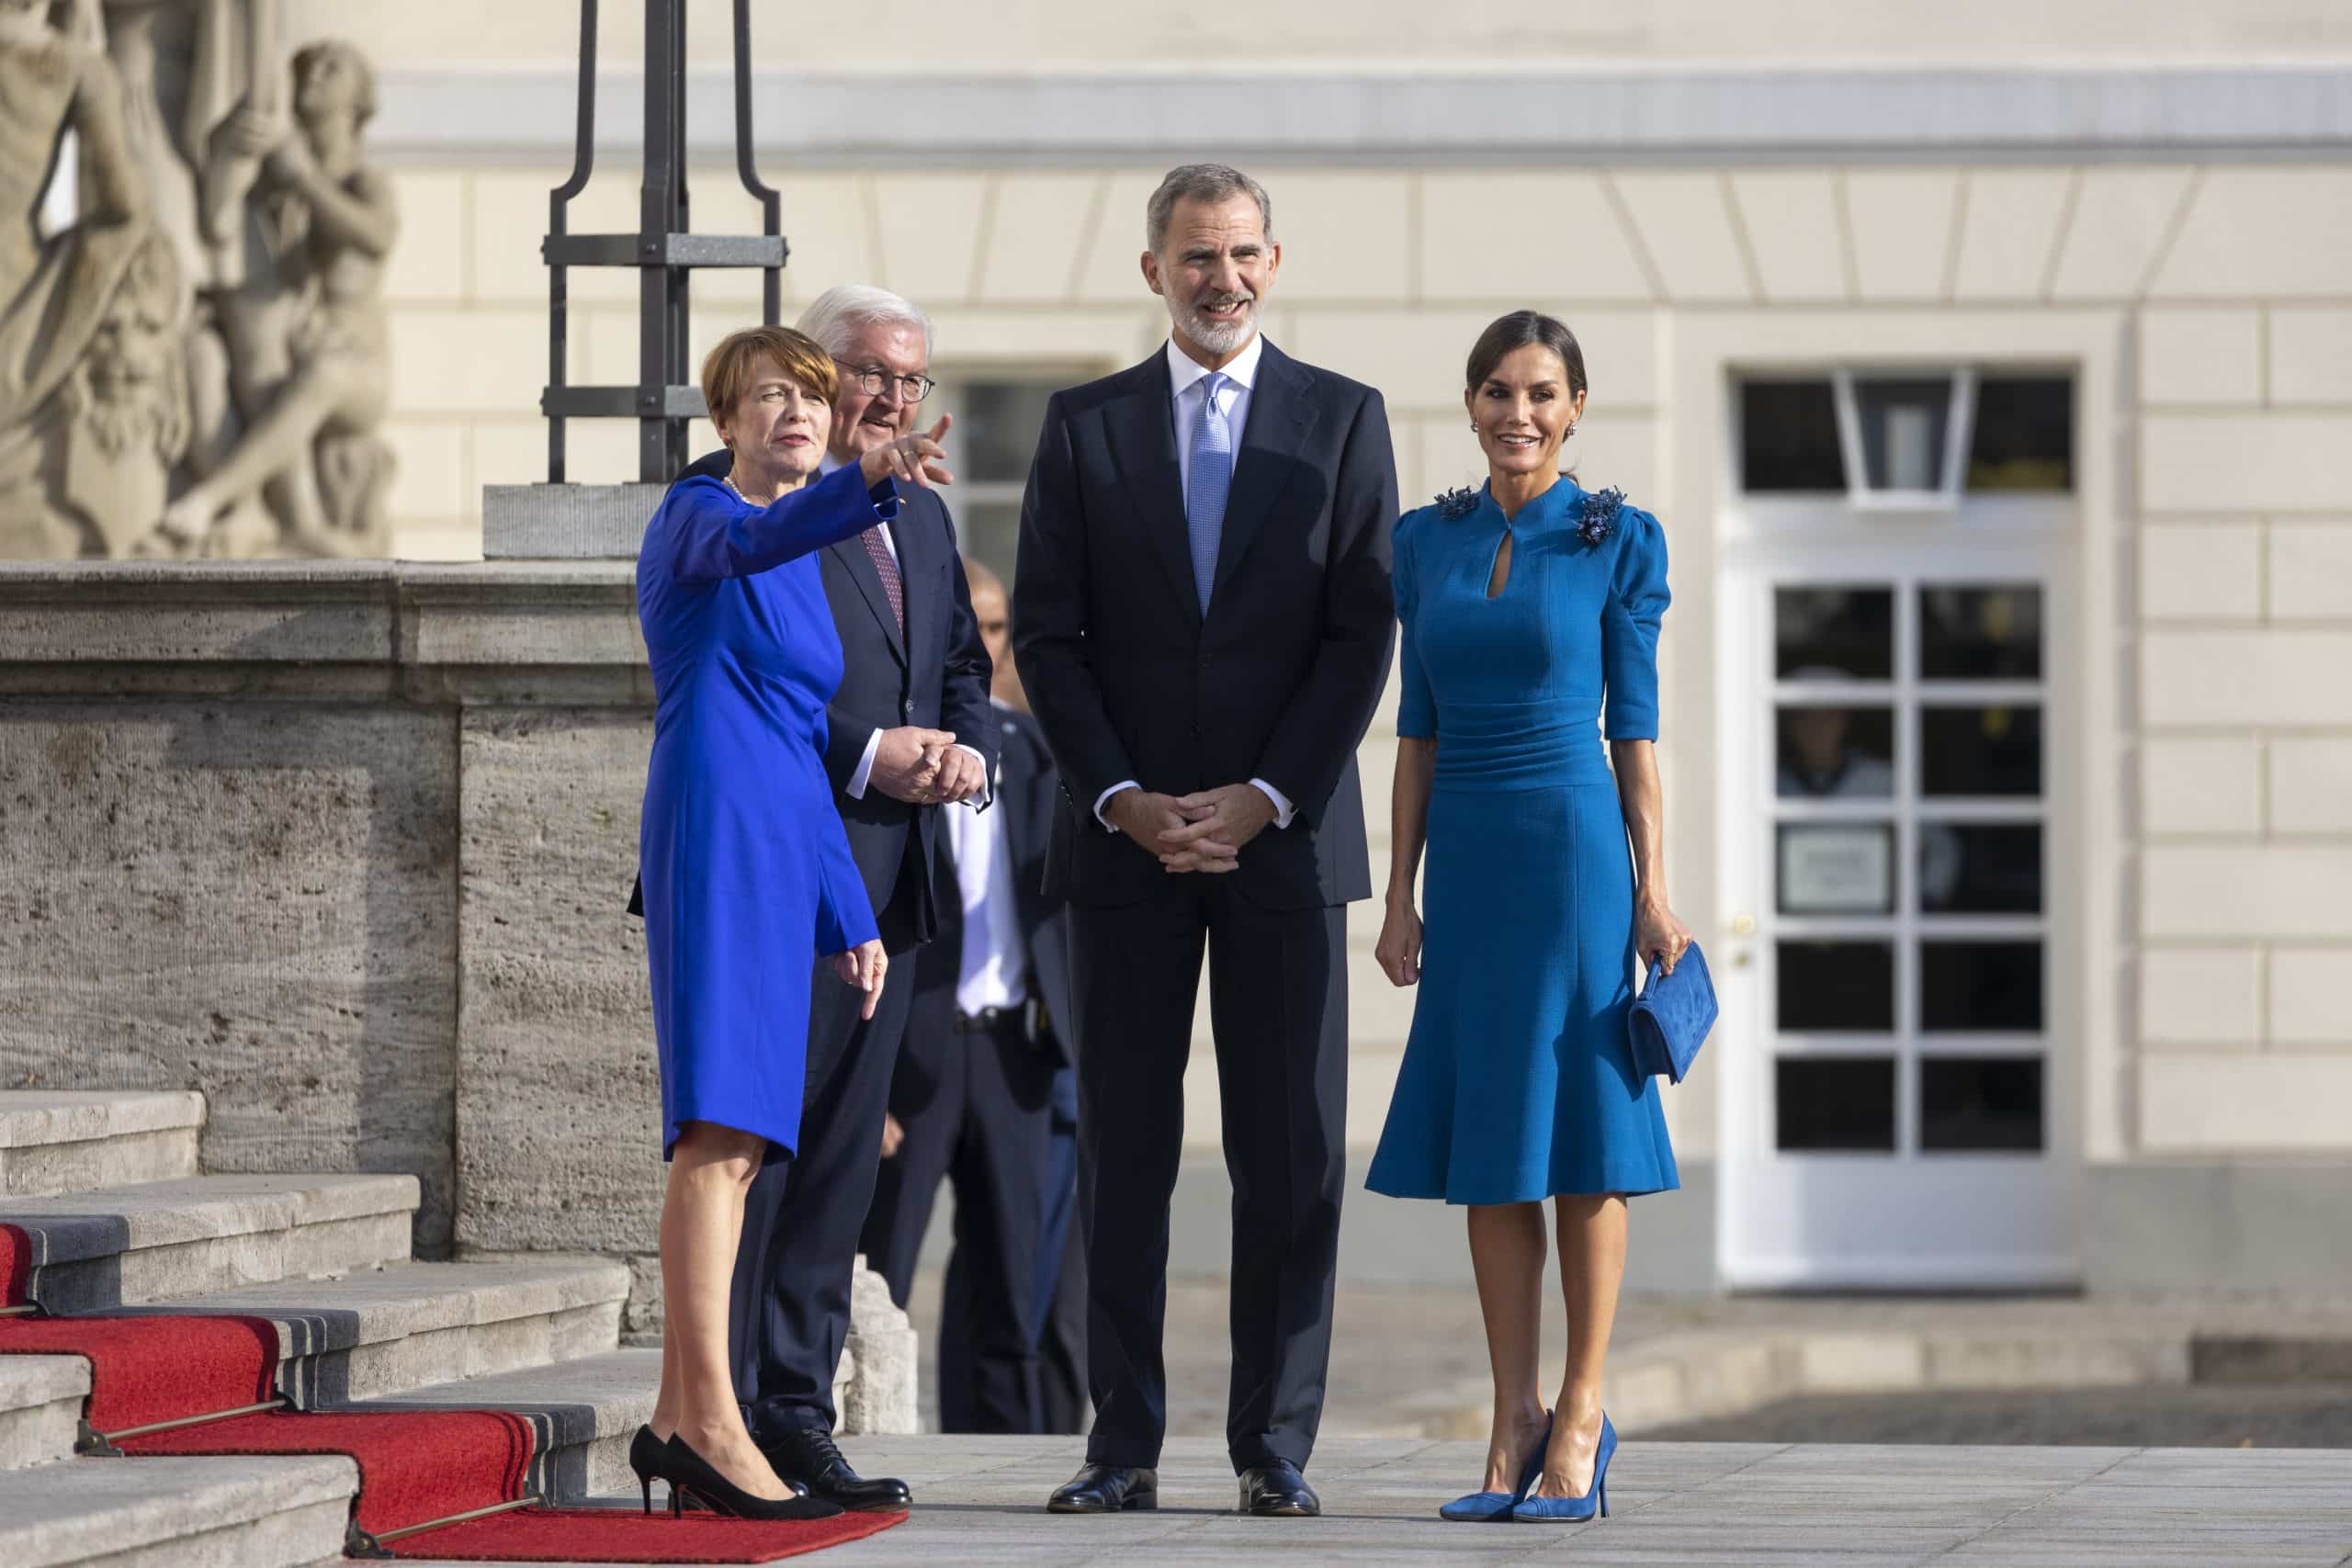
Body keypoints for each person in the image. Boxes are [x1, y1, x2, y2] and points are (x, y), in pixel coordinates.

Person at [1014, 163, 1396, 1518]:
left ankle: (1273, 1443)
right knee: (1123, 1153)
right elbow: (1046, 634)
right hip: (1125, 848)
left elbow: (1361, 630)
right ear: (1153, 271)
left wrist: (1266, 793)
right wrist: (1121, 795)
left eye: (1240, 255)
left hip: (1283, 847)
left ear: (1272, 263)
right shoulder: (1083, 424)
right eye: (1195, 257)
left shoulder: (1344, 419)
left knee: (1289, 1155)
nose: (1219, 279)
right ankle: (1119, 1442)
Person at [1365, 310, 1695, 1526]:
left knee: (1583, 1139)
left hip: (1572, 855)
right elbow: (1415, 732)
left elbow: (1634, 732)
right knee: (1493, 1144)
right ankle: (1511, 1418)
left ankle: (1584, 1410)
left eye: (1542, 393)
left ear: (1575, 409)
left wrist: (1652, 887)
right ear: (1470, 404)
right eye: (1498, 391)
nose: (1519, 413)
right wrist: (1398, 891)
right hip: (1470, 861)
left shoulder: (1617, 538)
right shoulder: (1426, 542)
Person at [683, 285, 998, 1511]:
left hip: (890, 881)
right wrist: (871, 753)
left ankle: (797, 1412)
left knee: (838, 1173)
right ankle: (718, 1411)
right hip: (782, 869)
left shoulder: (918, 511)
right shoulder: (750, 504)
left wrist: (967, 753)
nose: (891, 399)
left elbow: (961, 661)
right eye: (869, 372)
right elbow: (754, 689)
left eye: (912, 380)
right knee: (755, 1148)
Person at [859, 558, 1080, 1435]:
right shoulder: (887, 755)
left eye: (994, 631)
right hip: (911, 1057)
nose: (982, 653)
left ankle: (999, 1466)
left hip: (1014, 1053)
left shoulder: (1039, 753)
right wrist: (866, 1079)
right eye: (967, 632)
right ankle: (849, 1438)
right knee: (880, 1271)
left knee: (1012, 1285)